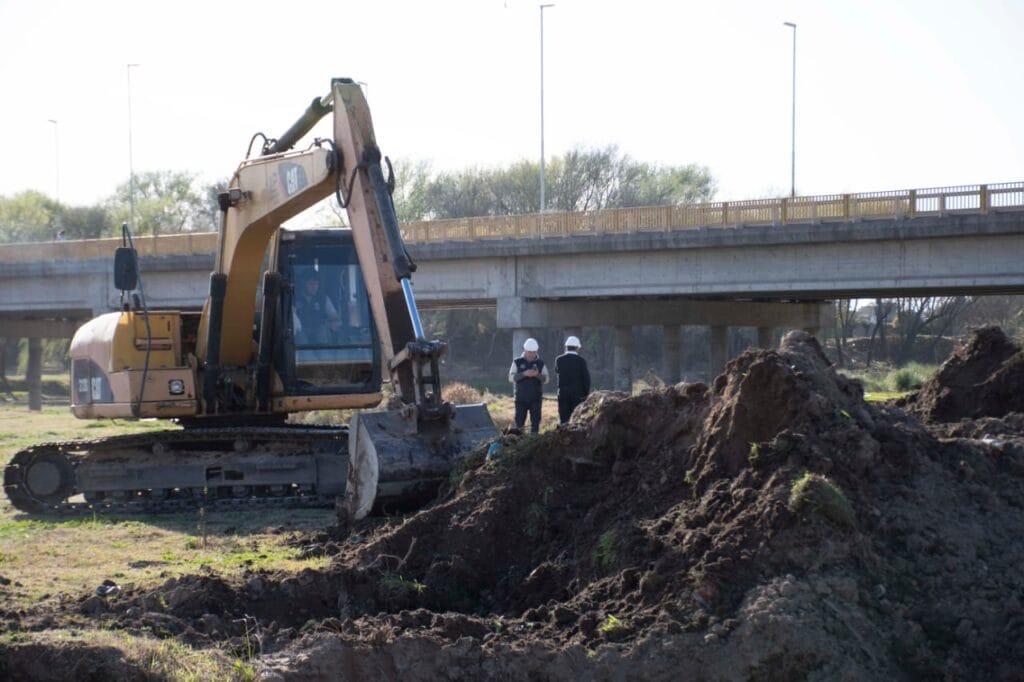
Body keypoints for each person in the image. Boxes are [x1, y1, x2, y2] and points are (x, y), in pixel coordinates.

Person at [508, 337, 549, 434]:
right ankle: (519, 445)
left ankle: (533, 443)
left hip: (536, 399)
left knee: (535, 424)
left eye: (533, 352)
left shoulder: (540, 363)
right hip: (520, 399)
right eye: (529, 352)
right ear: (524, 350)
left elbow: (546, 379)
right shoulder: (517, 362)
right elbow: (510, 378)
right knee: (519, 425)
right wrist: (524, 374)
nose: (531, 354)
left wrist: (537, 375)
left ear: (536, 351)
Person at [293, 273, 341, 344]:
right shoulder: (294, 299)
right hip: (301, 338)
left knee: (323, 330)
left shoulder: (323, 299)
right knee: (299, 335)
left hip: (319, 336)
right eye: (311, 284)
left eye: (316, 284)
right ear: (303, 283)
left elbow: (334, 317)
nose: (314, 287)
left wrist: (330, 323)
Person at [555, 335, 591, 424]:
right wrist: (586, 394)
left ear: (566, 347)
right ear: (577, 348)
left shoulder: (559, 359)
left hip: (563, 394)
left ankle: (563, 436)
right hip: (578, 395)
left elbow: (557, 371)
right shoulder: (581, 361)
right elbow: (586, 379)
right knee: (576, 420)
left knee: (564, 420)